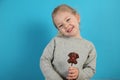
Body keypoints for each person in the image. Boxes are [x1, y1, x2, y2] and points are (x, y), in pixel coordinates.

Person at [40, 4, 97, 80]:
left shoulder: (89, 46)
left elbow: (91, 69)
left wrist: (79, 74)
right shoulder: (56, 42)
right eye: (60, 25)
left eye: (68, 20)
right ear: (58, 29)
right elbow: (44, 60)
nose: (66, 26)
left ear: (77, 17)